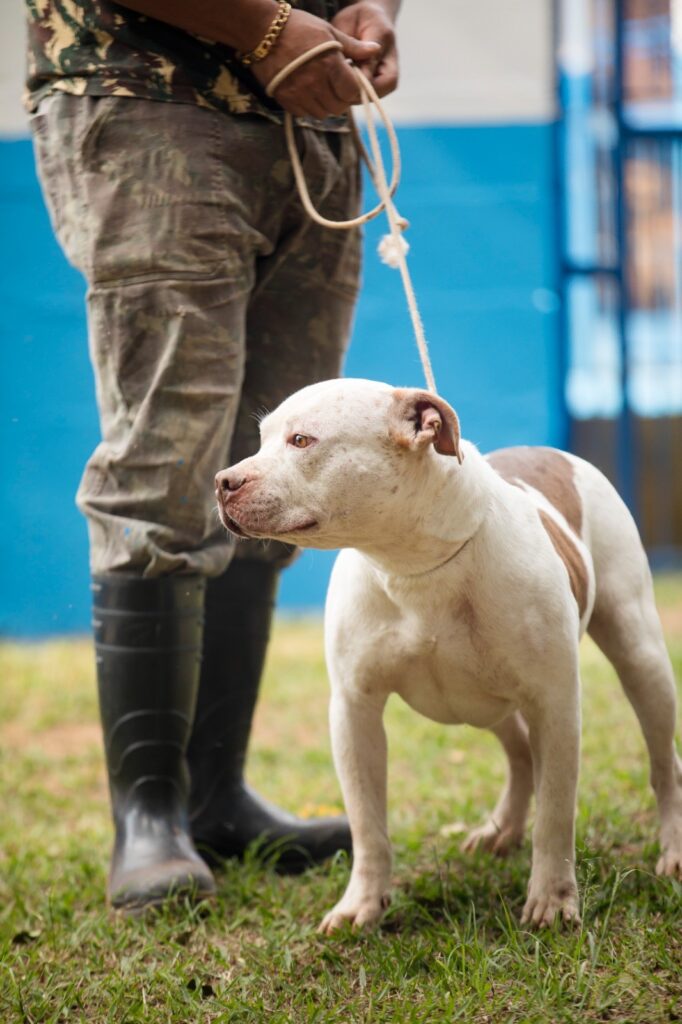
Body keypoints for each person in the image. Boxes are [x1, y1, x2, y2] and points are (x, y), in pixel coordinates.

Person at [25, 0, 401, 911]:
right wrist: (268, 32)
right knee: (166, 464)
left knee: (276, 476)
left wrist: (376, 12)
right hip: (155, 100)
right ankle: (149, 818)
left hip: (313, 127)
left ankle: (216, 797)